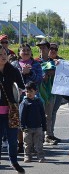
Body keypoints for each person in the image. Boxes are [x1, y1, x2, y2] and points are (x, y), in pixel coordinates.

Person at [11, 43, 43, 153]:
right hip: (17, 97)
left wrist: (30, 72)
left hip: (33, 98)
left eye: (28, 50)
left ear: (31, 52)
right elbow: (10, 79)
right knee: (20, 121)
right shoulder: (14, 64)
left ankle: (33, 144)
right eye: (23, 50)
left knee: (33, 120)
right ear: (19, 53)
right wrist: (21, 72)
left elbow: (39, 79)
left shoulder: (36, 64)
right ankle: (21, 144)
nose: (25, 52)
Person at [0, 44, 25, 173]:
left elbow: (21, 86)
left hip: (12, 111)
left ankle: (14, 162)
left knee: (12, 139)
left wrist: (20, 91)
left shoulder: (14, 70)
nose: (3, 57)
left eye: (5, 54)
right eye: (0, 54)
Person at [35, 40, 58, 145]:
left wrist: (48, 73)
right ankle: (38, 136)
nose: (42, 49)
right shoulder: (35, 61)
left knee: (48, 115)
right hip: (37, 92)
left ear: (48, 49)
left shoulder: (53, 61)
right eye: (40, 47)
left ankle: (48, 135)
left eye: (44, 47)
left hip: (50, 92)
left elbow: (54, 72)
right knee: (38, 115)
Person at [19, 81, 46, 163]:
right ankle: (27, 156)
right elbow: (22, 116)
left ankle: (40, 156)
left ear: (35, 92)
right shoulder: (24, 103)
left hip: (38, 126)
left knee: (39, 143)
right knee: (27, 143)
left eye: (31, 91)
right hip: (28, 127)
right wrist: (23, 127)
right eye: (27, 91)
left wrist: (44, 126)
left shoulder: (39, 102)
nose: (29, 93)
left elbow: (42, 114)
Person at [48, 43, 64, 142]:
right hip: (46, 91)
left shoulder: (62, 61)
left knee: (53, 112)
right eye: (51, 48)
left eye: (55, 49)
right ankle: (46, 135)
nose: (53, 50)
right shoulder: (42, 60)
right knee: (46, 113)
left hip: (58, 90)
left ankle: (51, 133)